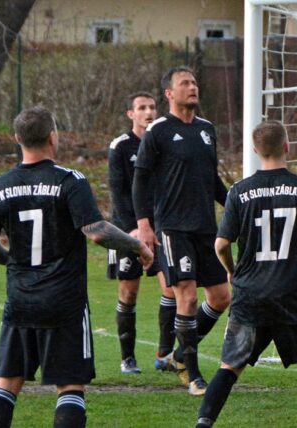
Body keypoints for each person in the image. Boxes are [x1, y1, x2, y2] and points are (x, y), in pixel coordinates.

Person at [0, 106, 154, 428]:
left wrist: (12, 260)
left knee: (5, 385)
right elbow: (96, 232)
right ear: (53, 137)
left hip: (20, 300)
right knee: (70, 388)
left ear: (17, 139)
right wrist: (137, 245)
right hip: (64, 303)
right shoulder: (69, 181)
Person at [197, 121, 297, 428]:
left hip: (251, 293)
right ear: (287, 146)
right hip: (294, 294)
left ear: (255, 150)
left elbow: (221, 244)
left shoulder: (238, 192)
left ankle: (203, 423)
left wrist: (231, 271)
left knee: (230, 366)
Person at [133, 66, 231, 395]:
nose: (193, 87)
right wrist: (145, 225)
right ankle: (192, 372)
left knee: (221, 297)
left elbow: (212, 180)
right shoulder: (158, 131)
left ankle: (178, 355)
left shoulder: (206, 130)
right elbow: (141, 179)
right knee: (186, 296)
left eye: (194, 81)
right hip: (173, 227)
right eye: (185, 83)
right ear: (169, 94)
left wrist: (236, 205)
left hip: (206, 227)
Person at [106, 92, 177, 374]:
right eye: (142, 108)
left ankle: (163, 354)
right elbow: (118, 192)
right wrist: (134, 228)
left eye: (152, 107)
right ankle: (127, 358)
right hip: (126, 230)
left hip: (159, 227)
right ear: (130, 114)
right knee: (128, 292)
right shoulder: (121, 146)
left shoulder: (160, 141)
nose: (148, 112)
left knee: (170, 288)